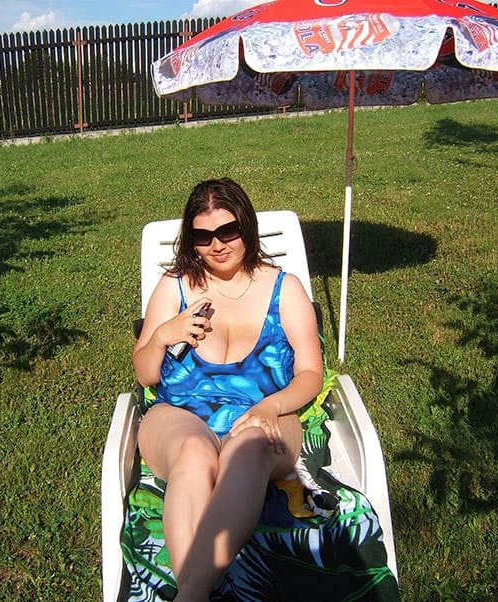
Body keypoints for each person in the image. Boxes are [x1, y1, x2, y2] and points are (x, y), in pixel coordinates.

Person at [132, 178, 323, 601]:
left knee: (249, 450)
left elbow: (311, 373)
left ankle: (189, 594)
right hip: (180, 412)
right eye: (203, 236)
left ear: (246, 226)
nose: (216, 245)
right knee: (193, 452)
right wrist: (162, 335)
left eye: (228, 231)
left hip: (265, 410)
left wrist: (271, 407)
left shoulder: (284, 288)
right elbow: (145, 375)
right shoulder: (175, 285)